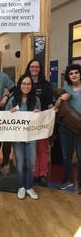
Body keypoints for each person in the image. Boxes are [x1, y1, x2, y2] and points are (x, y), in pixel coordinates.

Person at [6, 74, 41, 200]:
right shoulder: (13, 99)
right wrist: (10, 113)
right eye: (23, 83)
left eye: (29, 84)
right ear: (19, 85)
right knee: (20, 164)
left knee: (31, 164)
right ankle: (21, 186)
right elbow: (5, 117)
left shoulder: (36, 100)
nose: (26, 86)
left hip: (31, 137)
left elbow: (40, 120)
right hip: (17, 137)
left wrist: (38, 114)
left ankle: (29, 187)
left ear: (32, 86)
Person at [24, 59, 54, 187]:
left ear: (40, 69)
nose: (34, 69)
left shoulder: (46, 84)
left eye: (37, 67)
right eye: (32, 66)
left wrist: (52, 107)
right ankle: (34, 173)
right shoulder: (24, 81)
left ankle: (42, 174)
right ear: (29, 68)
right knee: (32, 148)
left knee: (42, 149)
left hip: (42, 121)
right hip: (27, 122)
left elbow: (49, 101)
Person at [58, 64, 81, 193]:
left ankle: (80, 182)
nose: (74, 75)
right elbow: (56, 107)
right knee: (66, 156)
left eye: (76, 72)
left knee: (80, 156)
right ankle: (67, 179)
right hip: (65, 127)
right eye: (71, 73)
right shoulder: (65, 90)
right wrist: (61, 98)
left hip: (80, 128)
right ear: (68, 76)